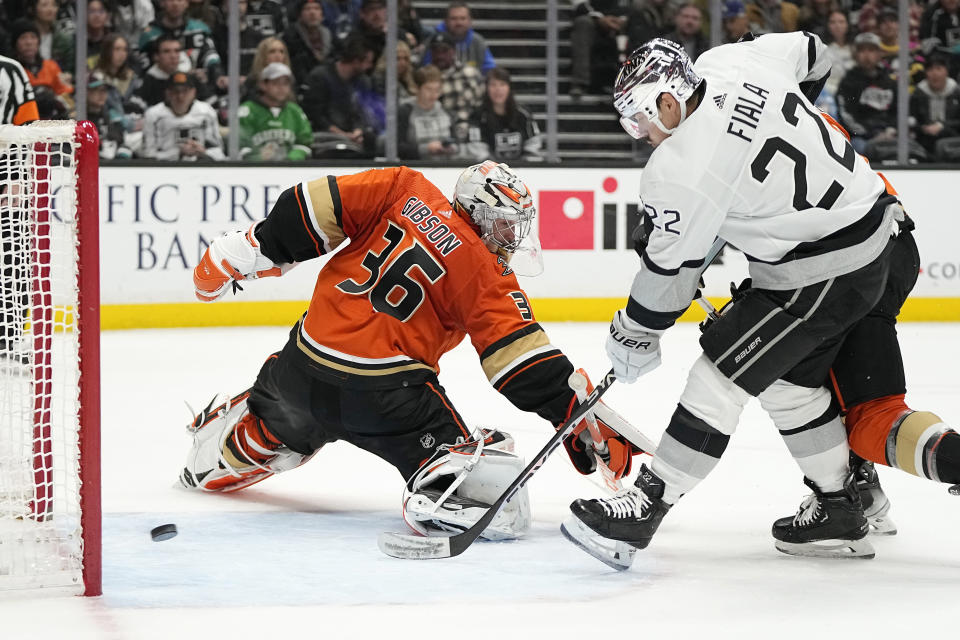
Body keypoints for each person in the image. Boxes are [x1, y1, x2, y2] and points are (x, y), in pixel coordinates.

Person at [561, 34, 911, 569]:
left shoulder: (679, 171)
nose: (642, 135)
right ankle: (842, 504)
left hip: (822, 269)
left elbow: (668, 282)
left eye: (640, 119)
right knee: (785, 380)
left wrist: (633, 333)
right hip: (874, 229)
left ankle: (645, 507)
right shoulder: (732, 59)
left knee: (720, 375)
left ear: (668, 100)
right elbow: (816, 50)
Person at [180, 161, 639, 541]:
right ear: (477, 212)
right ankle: (445, 486)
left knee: (276, 420)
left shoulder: (401, 186)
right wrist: (575, 415)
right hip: (386, 402)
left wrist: (255, 247)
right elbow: (519, 362)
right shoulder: (484, 272)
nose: (509, 238)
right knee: (486, 488)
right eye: (503, 225)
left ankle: (237, 445)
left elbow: (313, 206)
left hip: (300, 369)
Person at [0, 53, 39, 369]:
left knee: (12, 254)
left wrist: (17, 177)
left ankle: (8, 339)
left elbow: (29, 128)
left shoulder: (9, 70)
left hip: (4, 173)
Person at [302, 35, 375, 156]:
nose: (370, 66)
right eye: (368, 62)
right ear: (356, 61)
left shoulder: (363, 81)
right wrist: (341, 134)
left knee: (370, 138)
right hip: (325, 134)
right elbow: (316, 116)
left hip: (353, 135)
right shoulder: (319, 77)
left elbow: (362, 113)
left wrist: (358, 131)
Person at [837, 32, 898, 158]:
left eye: (871, 50)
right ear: (856, 55)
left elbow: (900, 112)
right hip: (861, 137)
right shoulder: (848, 82)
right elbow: (845, 115)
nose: (867, 55)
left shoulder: (890, 82)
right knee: (860, 149)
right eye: (862, 51)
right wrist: (872, 134)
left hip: (890, 134)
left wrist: (892, 130)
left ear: (879, 54)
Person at [141, 71, 225, 160]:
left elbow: (219, 153)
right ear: (167, 93)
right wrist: (178, 153)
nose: (180, 96)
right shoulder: (154, 115)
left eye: (185, 91)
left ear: (193, 92)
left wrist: (202, 151)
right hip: (166, 169)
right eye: (175, 91)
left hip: (200, 167)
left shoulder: (206, 112)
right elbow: (148, 155)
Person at [238, 62, 313, 161]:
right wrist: (258, 158)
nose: (281, 88)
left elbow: (305, 144)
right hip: (255, 171)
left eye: (285, 83)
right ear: (263, 84)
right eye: (276, 83)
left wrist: (290, 159)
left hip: (290, 171)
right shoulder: (247, 111)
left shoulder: (295, 111)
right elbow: (240, 147)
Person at [465, 67, 542, 162]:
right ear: (486, 88)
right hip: (489, 172)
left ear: (509, 88)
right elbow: (477, 149)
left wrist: (524, 165)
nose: (498, 89)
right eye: (493, 85)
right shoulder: (477, 116)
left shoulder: (523, 114)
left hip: (521, 170)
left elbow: (533, 144)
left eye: (502, 84)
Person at [427, 31, 483, 143]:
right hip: (436, 137)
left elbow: (482, 106)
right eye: (436, 51)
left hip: (471, 135)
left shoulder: (470, 74)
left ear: (453, 51)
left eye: (444, 50)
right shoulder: (425, 77)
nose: (440, 55)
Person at [396, 64, 459, 160]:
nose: (433, 95)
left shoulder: (446, 112)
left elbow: (457, 142)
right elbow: (397, 148)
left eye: (437, 90)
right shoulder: (405, 111)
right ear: (417, 88)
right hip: (415, 168)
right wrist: (427, 148)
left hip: (445, 168)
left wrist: (451, 148)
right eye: (428, 89)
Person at [569, 0, 629, 98]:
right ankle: (580, 82)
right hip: (595, 24)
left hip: (626, 23)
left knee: (638, 22)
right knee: (582, 22)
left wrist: (622, 20)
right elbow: (580, 5)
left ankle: (634, 83)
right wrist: (600, 19)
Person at [910, 54, 960, 160]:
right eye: (930, 69)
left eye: (938, 69)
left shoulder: (957, 92)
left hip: (952, 138)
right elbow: (911, 119)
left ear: (946, 71)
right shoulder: (918, 94)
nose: (934, 74)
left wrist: (942, 126)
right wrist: (922, 128)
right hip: (923, 139)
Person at [422, 1, 495, 74]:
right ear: (446, 21)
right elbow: (425, 68)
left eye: (463, 18)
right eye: (454, 18)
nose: (459, 23)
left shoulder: (477, 41)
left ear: (470, 21)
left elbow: (489, 68)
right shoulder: (435, 40)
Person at [283, 0, 334, 82]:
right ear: (300, 15)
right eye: (307, 9)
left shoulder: (329, 34)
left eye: (317, 8)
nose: (312, 12)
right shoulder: (291, 36)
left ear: (322, 15)